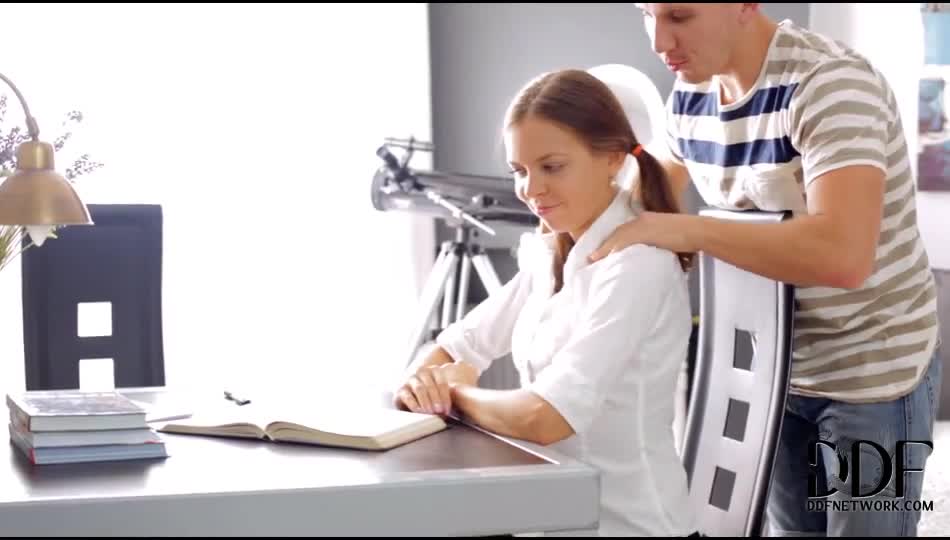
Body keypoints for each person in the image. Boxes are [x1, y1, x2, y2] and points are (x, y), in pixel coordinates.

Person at [589, 4, 942, 537]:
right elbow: (651, 194)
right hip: (771, 370)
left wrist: (688, 230)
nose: (659, 41)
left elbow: (844, 256)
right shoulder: (690, 93)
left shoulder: (830, 84)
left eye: (679, 15)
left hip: (871, 367)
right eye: (647, 13)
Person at [393, 68, 698, 537]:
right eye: (519, 171)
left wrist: (453, 395)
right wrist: (425, 382)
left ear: (613, 159)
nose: (530, 189)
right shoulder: (551, 251)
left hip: (630, 528)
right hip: (556, 518)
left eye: (551, 167)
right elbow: (456, 346)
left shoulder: (636, 267)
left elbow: (546, 418)